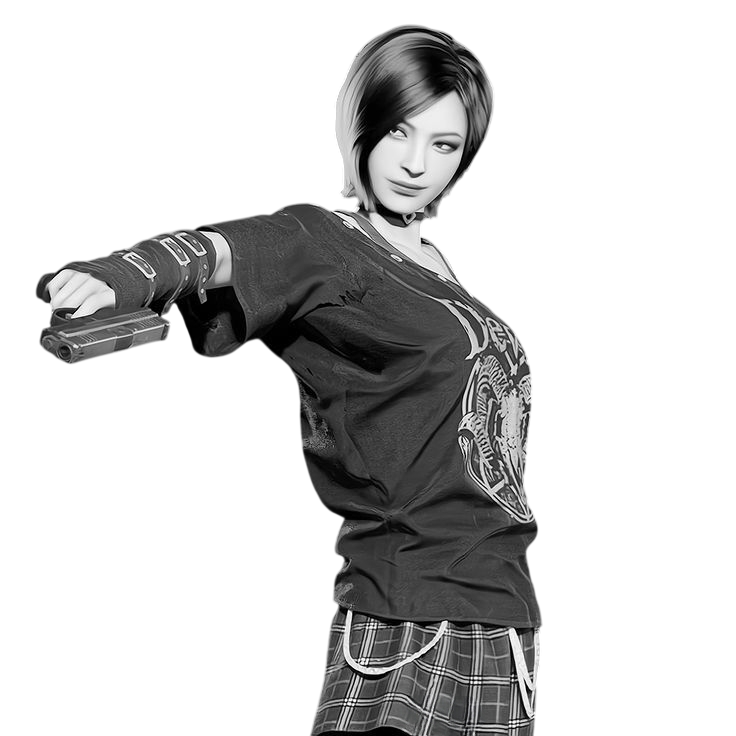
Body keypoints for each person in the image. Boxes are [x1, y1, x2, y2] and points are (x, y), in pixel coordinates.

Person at [38, 23, 542, 736]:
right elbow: (217, 250)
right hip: (412, 612)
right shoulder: (326, 241)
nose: (414, 163)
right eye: (397, 131)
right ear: (358, 126)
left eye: (444, 144)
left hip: (499, 610)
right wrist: (121, 276)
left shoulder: (439, 266)